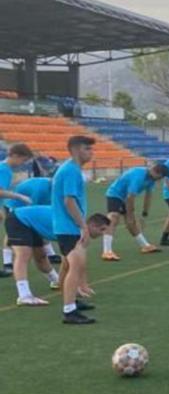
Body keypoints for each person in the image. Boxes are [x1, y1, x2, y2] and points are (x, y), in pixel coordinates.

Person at [6, 205, 108, 306]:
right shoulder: (73, 231)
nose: (103, 234)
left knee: (41, 257)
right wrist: (76, 286)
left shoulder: (78, 231)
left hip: (32, 223)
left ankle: (55, 281)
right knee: (23, 255)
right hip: (19, 219)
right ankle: (24, 295)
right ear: (92, 226)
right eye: (102, 229)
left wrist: (73, 285)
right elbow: (69, 264)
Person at [54, 135, 102, 324]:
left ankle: (71, 301)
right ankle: (69, 311)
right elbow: (69, 200)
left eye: (91, 149)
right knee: (76, 266)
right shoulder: (71, 170)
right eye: (86, 149)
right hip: (68, 226)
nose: (91, 152)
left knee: (70, 265)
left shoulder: (69, 169)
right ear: (74, 150)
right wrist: (83, 226)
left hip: (66, 225)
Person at [101, 163, 169, 260]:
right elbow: (130, 196)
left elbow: (148, 195)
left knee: (132, 223)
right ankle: (106, 251)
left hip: (125, 197)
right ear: (155, 171)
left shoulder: (151, 179)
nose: (160, 179)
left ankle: (145, 246)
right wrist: (130, 214)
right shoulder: (138, 175)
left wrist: (145, 212)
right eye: (160, 177)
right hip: (115, 194)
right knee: (113, 218)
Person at [6, 176, 61, 264]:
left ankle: (51, 255)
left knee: (40, 225)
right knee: (11, 233)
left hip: (28, 203)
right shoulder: (40, 189)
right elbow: (33, 209)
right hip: (15, 204)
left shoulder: (54, 189)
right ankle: (7, 262)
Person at [0, 143, 35, 277]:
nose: (22, 163)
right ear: (15, 155)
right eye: (23, 160)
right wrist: (19, 196)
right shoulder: (4, 169)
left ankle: (6, 264)